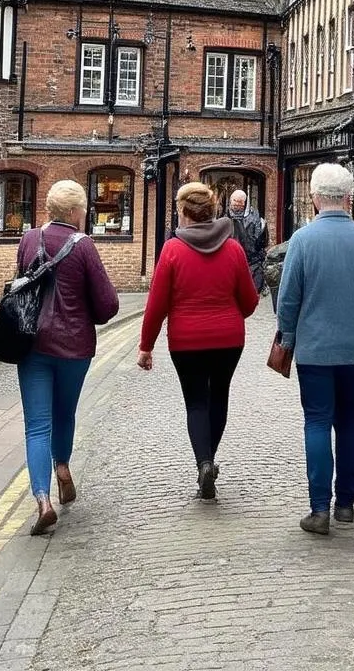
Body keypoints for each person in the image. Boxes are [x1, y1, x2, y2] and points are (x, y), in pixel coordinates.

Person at [277, 163, 354, 536]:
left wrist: (288, 339)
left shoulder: (302, 242)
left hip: (314, 351)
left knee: (317, 421)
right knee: (348, 419)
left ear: (314, 199)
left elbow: (288, 299)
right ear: (349, 198)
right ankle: (346, 503)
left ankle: (319, 508)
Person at [138, 182, 259, 501]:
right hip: (228, 339)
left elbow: (156, 304)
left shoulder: (173, 250)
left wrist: (146, 346)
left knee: (196, 402)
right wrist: (229, 317)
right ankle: (209, 462)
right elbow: (249, 300)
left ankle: (203, 463)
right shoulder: (233, 248)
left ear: (183, 212)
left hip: (186, 341)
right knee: (218, 397)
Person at [15, 180, 119, 535]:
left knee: (37, 425)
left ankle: (42, 500)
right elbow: (107, 306)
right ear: (76, 212)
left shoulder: (29, 239)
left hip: (31, 344)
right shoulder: (84, 245)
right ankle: (63, 467)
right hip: (74, 347)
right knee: (65, 413)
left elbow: (21, 287)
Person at [228, 189, 268, 293]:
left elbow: (260, 243)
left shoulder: (254, 218)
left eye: (240, 202)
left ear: (244, 203)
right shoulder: (224, 216)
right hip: (230, 263)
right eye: (235, 201)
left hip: (251, 264)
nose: (237, 204)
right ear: (230, 201)